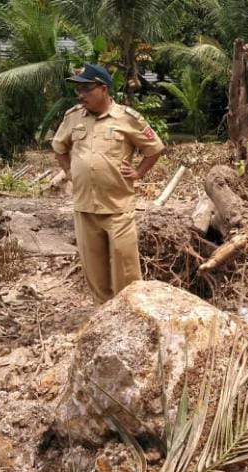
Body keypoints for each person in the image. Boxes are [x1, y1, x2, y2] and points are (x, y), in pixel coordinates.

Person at [52, 64, 165, 304]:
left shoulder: (127, 118)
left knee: (126, 270)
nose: (81, 95)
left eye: (86, 89)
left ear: (103, 89)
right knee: (95, 271)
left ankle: (131, 313)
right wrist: (70, 172)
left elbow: (154, 148)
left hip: (117, 207)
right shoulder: (73, 117)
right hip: (84, 207)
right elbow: (59, 147)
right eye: (78, 90)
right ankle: (102, 314)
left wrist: (138, 173)